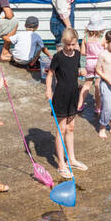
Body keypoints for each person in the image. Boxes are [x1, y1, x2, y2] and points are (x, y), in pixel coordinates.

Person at [45, 27, 86, 178]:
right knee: (61, 129)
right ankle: (61, 163)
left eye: (73, 44)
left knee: (71, 128)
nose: (70, 47)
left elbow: (75, 71)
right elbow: (50, 75)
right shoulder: (58, 57)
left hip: (73, 95)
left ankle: (72, 159)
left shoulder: (77, 55)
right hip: (61, 95)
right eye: (67, 44)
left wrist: (81, 74)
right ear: (63, 42)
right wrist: (49, 89)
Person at [77, 16, 105, 116]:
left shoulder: (86, 38)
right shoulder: (102, 38)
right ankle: (97, 107)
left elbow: (83, 52)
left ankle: (79, 105)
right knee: (97, 85)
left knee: (87, 84)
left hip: (89, 63)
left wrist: (90, 53)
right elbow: (106, 52)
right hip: (99, 63)